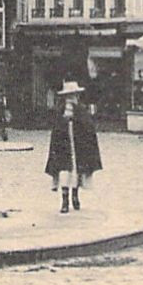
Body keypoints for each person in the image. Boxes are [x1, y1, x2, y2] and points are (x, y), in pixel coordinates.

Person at [45, 82, 103, 214]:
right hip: (63, 147)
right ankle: (65, 200)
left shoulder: (81, 111)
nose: (72, 98)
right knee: (64, 172)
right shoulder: (60, 111)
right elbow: (56, 130)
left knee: (76, 172)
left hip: (78, 146)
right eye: (69, 96)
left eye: (74, 95)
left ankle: (75, 196)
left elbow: (88, 128)